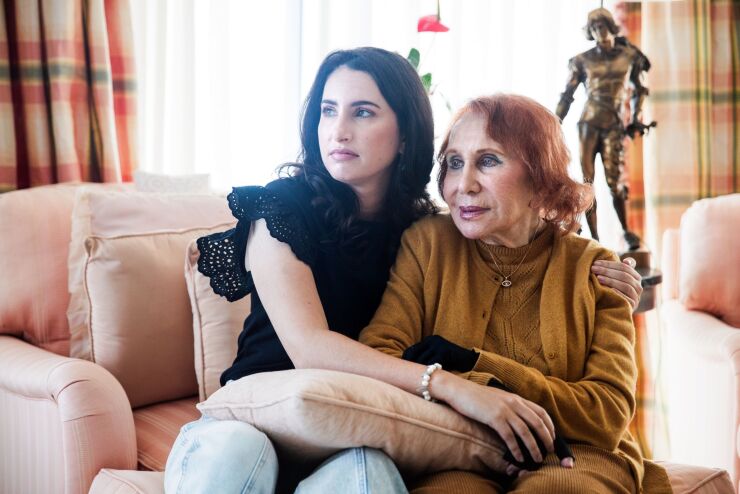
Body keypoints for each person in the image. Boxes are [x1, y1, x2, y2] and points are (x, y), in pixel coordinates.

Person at [164, 47, 644, 494]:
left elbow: (528, 235)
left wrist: (609, 276)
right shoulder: (281, 208)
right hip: (257, 417)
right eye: (328, 110)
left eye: (362, 112)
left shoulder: (423, 230)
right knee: (240, 452)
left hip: (356, 430)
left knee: (368, 472)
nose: (338, 130)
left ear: (406, 135)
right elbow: (310, 347)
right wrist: (450, 381)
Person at [359, 94, 671, 493]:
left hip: (578, 456)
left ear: (541, 181)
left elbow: (605, 416)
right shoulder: (427, 245)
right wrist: (472, 399)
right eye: (455, 163)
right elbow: (379, 355)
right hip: (460, 445)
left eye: (488, 161)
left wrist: (479, 367)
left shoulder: (595, 268)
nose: (463, 185)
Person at [556, 8, 654, 251]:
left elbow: (640, 89)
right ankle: (595, 239)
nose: (598, 31)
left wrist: (636, 118)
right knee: (588, 183)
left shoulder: (629, 56)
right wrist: (554, 121)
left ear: (610, 26)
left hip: (613, 125)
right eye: (593, 28)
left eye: (601, 26)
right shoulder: (582, 60)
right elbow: (567, 95)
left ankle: (626, 231)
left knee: (615, 183)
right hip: (588, 124)